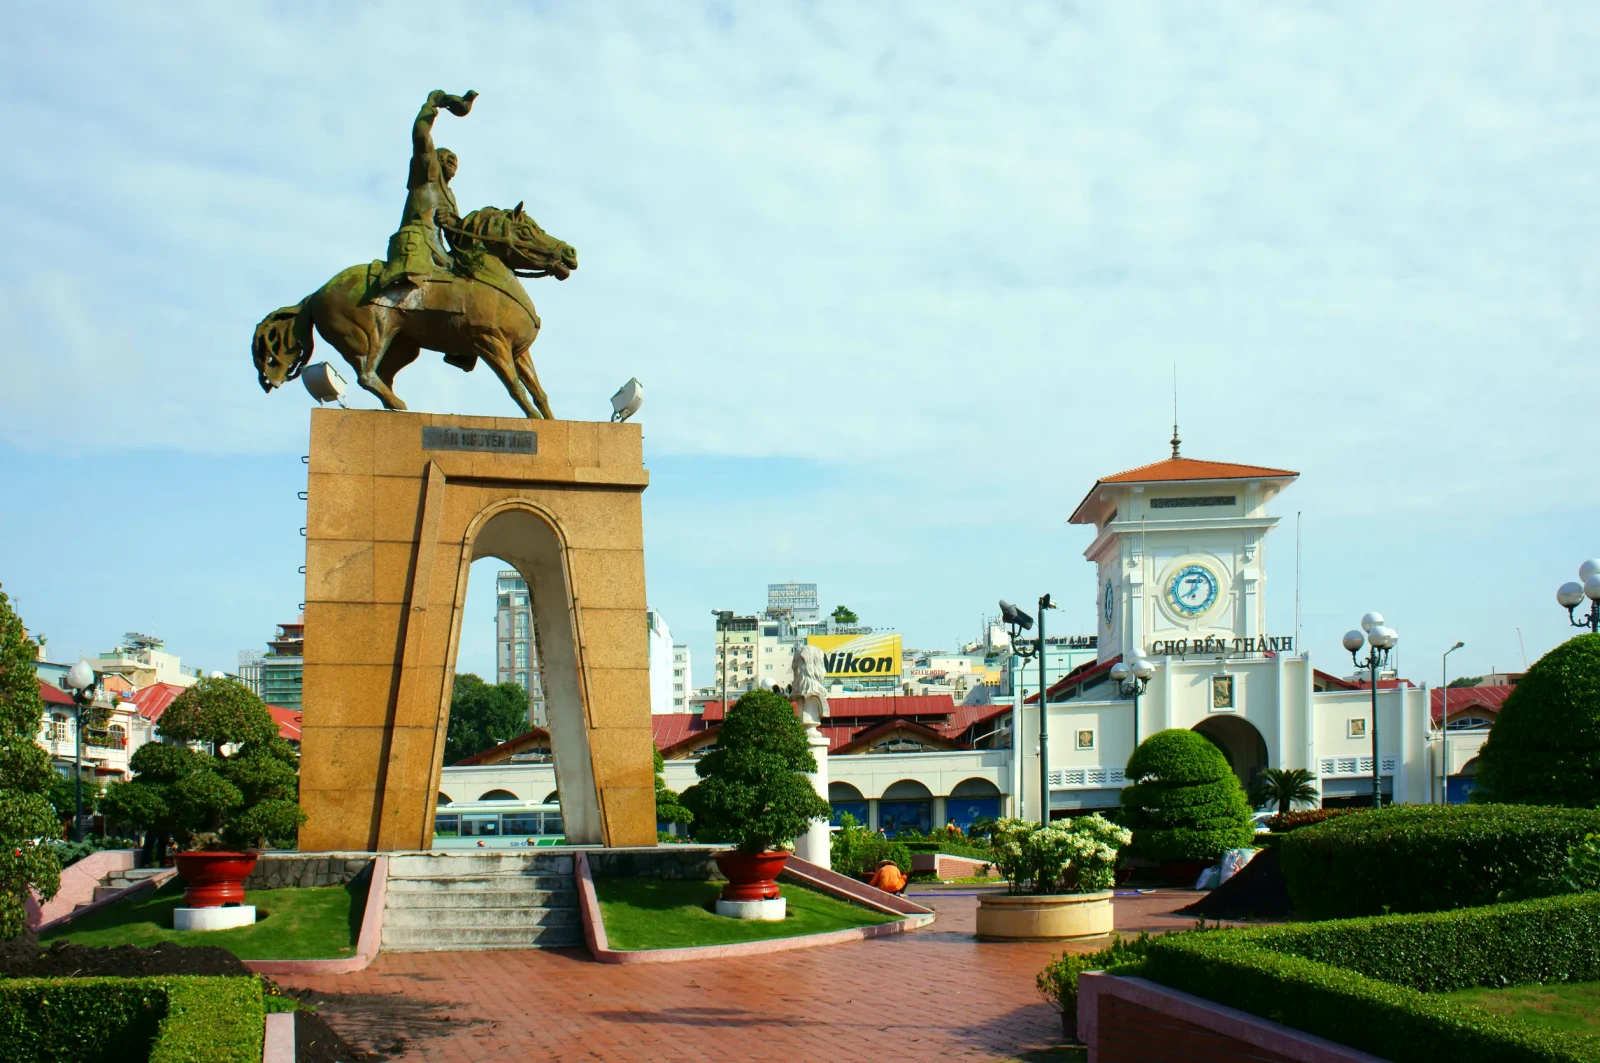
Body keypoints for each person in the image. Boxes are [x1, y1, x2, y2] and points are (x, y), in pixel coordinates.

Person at [376, 89, 478, 292]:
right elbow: (421, 135)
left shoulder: (449, 196)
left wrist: (452, 223)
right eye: (449, 158)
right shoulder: (427, 172)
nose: (453, 163)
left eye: (456, 162)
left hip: (438, 248)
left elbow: (454, 234)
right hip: (417, 240)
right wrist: (431, 105)